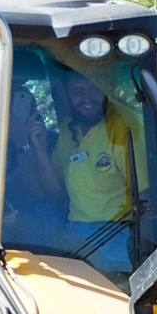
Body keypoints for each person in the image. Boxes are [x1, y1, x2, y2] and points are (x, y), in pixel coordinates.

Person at [49, 70, 136, 269]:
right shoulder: (68, 127)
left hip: (117, 236)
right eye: (78, 91)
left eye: (93, 88)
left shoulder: (125, 125)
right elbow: (55, 192)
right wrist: (32, 147)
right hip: (75, 238)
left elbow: (148, 197)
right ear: (67, 95)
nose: (87, 98)